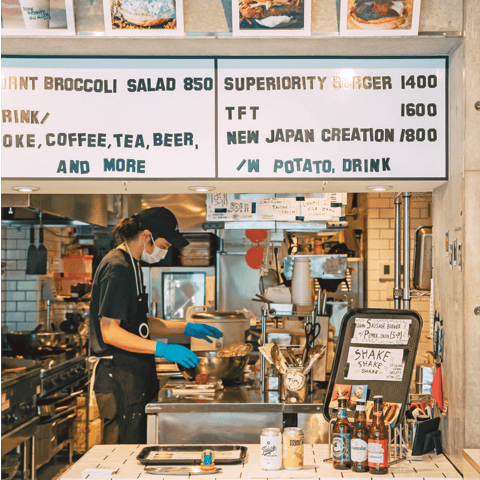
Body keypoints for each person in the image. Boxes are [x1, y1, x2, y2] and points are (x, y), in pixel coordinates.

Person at [89, 207, 222, 444]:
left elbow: (141, 324)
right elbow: (110, 331)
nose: (166, 250)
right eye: (164, 245)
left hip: (134, 373)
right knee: (122, 452)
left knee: (137, 447)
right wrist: (164, 350)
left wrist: (187, 327)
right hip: (118, 375)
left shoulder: (133, 266)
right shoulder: (116, 267)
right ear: (146, 235)